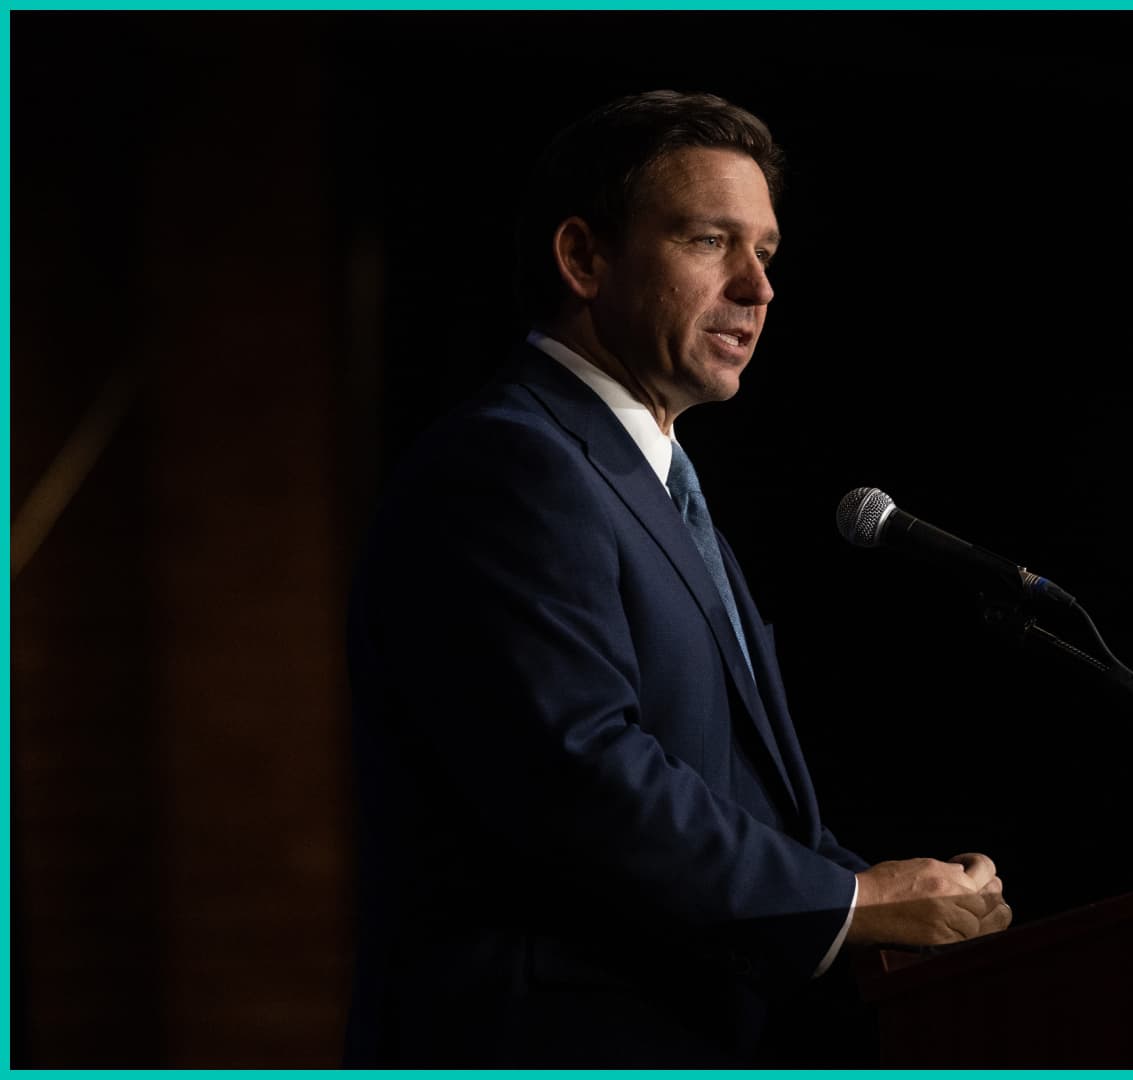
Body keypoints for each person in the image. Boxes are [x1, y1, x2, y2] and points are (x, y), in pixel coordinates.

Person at [343, 90, 1011, 1067]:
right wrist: (852, 904)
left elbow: (725, 790)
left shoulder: (650, 483)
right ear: (583, 258)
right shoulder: (513, 464)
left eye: (768, 253)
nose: (758, 289)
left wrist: (899, 895)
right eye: (710, 241)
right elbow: (579, 770)